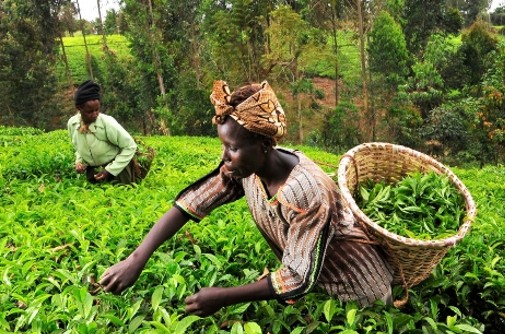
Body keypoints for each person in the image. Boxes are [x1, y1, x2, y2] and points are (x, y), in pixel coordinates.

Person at [99, 80, 393, 316]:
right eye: (223, 146)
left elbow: (297, 278)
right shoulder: (246, 169)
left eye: (232, 148)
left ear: (263, 145)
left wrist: (223, 297)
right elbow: (196, 200)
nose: (225, 157)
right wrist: (137, 258)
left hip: (359, 292)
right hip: (317, 287)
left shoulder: (307, 191)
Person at [68, 80, 141, 184]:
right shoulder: (73, 124)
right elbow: (78, 148)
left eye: (97, 110)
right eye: (90, 111)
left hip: (118, 173)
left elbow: (130, 146)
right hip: (93, 173)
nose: (95, 114)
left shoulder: (107, 123)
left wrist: (110, 170)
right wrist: (79, 162)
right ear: (79, 108)